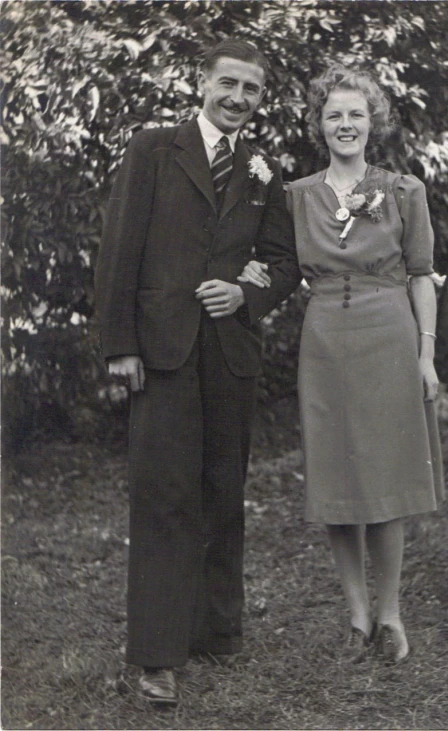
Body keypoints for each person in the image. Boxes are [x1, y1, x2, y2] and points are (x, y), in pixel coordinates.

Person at [95, 39, 300, 705]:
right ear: (202, 82)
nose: (238, 98)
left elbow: (281, 261)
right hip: (161, 351)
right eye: (229, 84)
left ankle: (216, 630)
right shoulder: (154, 148)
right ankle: (156, 655)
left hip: (230, 355)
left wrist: (247, 294)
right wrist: (118, 344)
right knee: (163, 496)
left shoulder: (261, 171)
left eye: (252, 90)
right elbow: (120, 248)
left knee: (222, 491)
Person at [239, 64, 444, 665]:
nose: (346, 124)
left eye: (356, 114)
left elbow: (421, 276)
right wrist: (251, 274)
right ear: (319, 125)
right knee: (335, 474)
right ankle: (356, 615)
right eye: (334, 115)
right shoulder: (296, 197)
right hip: (325, 338)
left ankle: (391, 614)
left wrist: (426, 355)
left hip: (389, 335)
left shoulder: (404, 189)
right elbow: (274, 264)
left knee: (385, 476)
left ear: (372, 121)